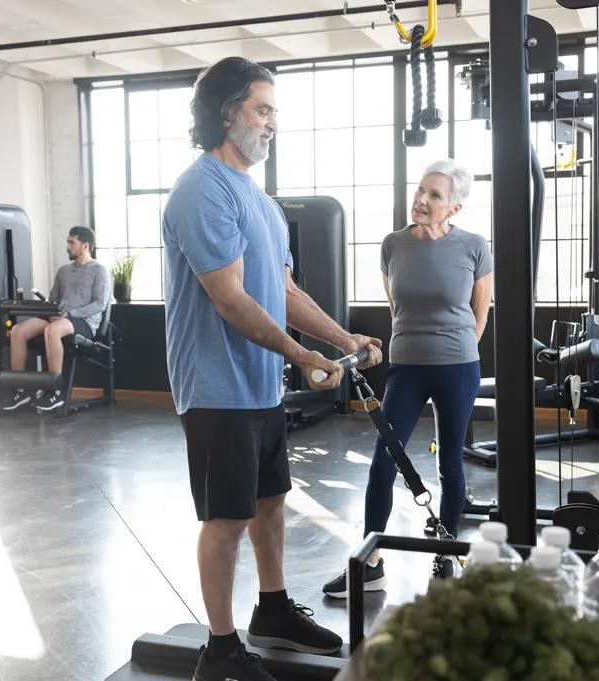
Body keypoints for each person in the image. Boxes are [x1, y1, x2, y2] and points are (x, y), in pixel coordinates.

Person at [162, 56, 382, 681]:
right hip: (214, 384)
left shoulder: (261, 201)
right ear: (228, 113)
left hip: (257, 385)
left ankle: (274, 608)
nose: (272, 123)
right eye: (263, 110)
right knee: (226, 516)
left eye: (275, 112)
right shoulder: (201, 188)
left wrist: (343, 336)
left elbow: (284, 290)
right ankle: (222, 648)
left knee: (270, 501)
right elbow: (228, 297)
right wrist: (302, 355)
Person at [322, 158, 493, 597]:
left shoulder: (474, 246)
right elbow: (396, 307)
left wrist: (459, 349)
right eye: (421, 190)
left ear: (454, 208)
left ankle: (445, 551)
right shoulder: (392, 245)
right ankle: (371, 564)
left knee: (449, 463)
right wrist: (414, 344)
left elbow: (480, 311)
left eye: (435, 195)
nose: (421, 199)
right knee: (383, 463)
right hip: (406, 367)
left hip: (457, 367)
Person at [1, 226, 111, 413]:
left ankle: (55, 391)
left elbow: (99, 304)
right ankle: (20, 390)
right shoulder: (63, 271)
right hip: (59, 318)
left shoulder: (99, 271)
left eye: (71, 242)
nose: (67, 246)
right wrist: (50, 308)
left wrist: (71, 313)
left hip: (83, 322)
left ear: (85, 245)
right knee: (18, 331)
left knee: (52, 330)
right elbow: (54, 300)